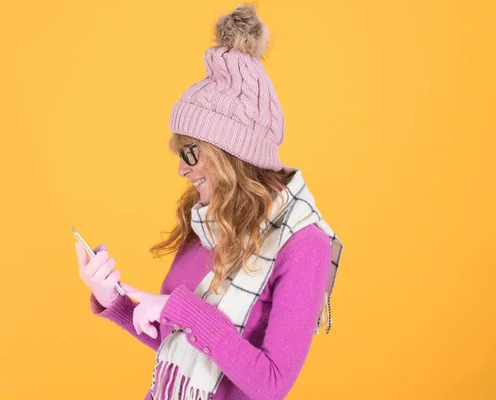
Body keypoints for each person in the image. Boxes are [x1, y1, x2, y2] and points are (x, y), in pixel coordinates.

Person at [75, 3, 343, 399]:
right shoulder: (208, 220)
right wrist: (111, 299)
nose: (182, 170)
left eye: (190, 152)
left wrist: (178, 309)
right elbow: (179, 342)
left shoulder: (304, 245)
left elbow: (270, 383)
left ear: (229, 153)